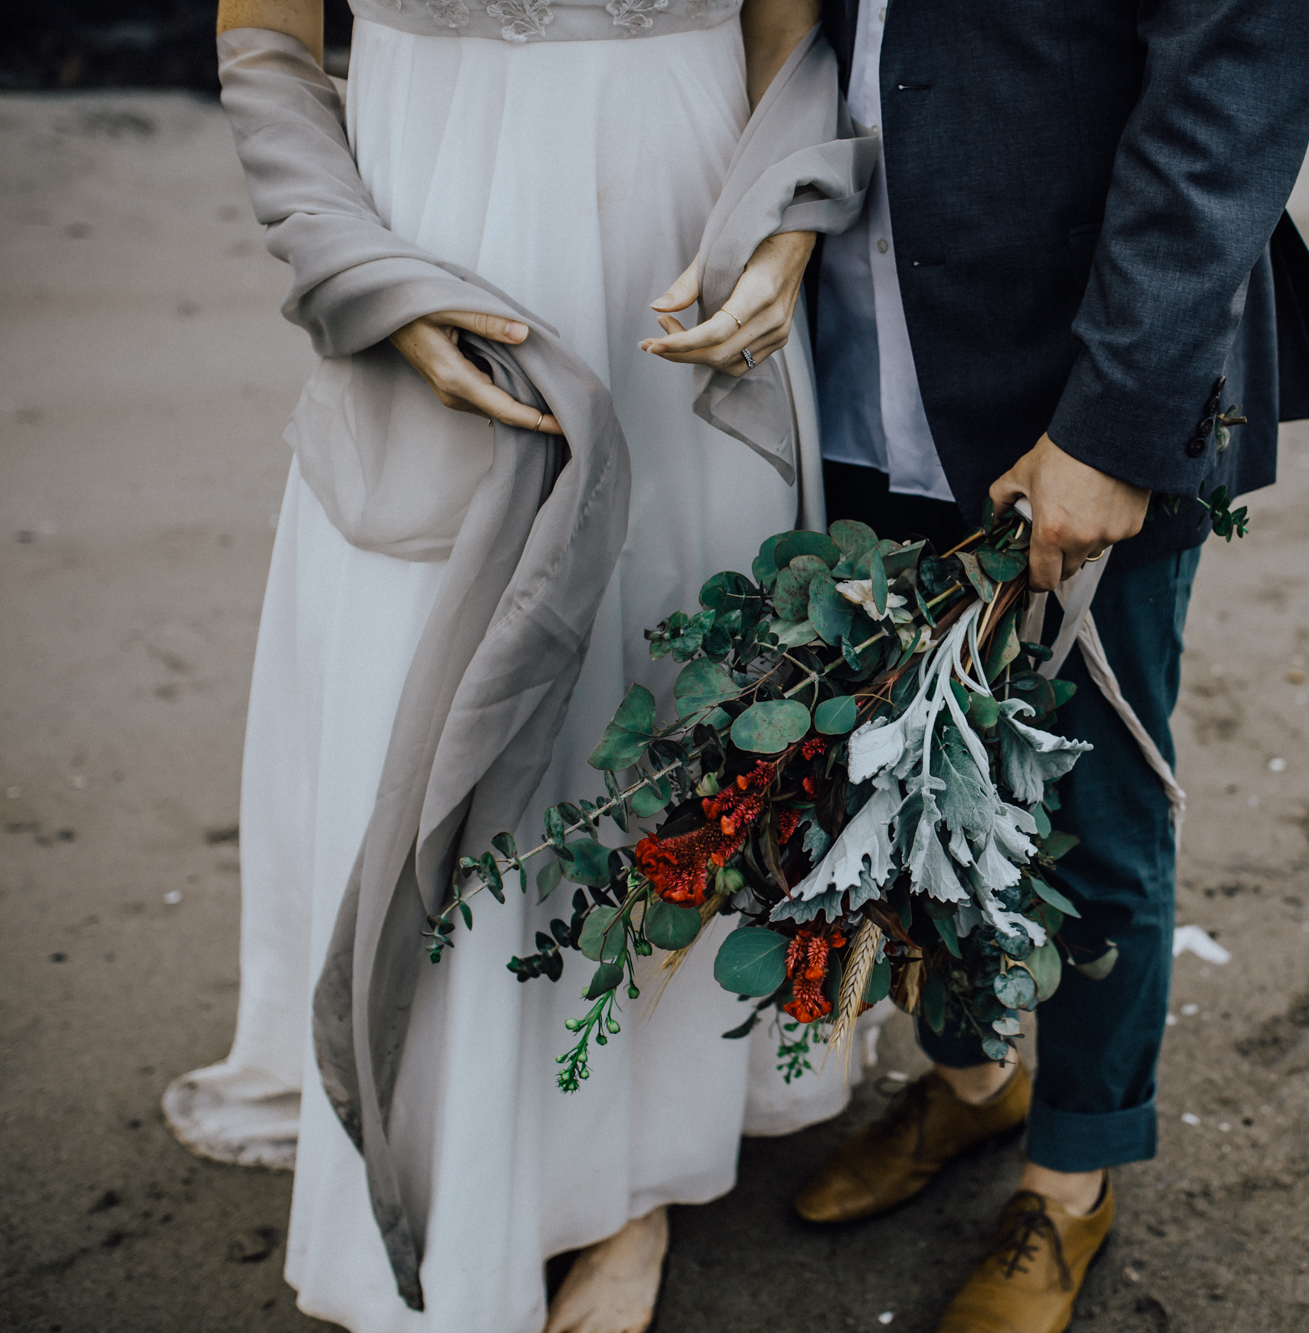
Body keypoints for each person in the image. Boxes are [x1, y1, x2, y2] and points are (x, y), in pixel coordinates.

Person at [168, 2, 861, 1330]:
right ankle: (442, 1160)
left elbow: (792, 28)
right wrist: (360, 271)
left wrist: (781, 219)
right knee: (422, 714)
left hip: (677, 249)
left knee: (660, 723)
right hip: (428, 242)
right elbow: (264, 36)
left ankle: (631, 1178)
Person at [757, 3, 1309, 1330]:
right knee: (919, 770)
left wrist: (1111, 422)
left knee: (1095, 804)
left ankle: (1073, 1174)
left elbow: (1229, 86)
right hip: (863, 345)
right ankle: (977, 1082)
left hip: (1075, 370)